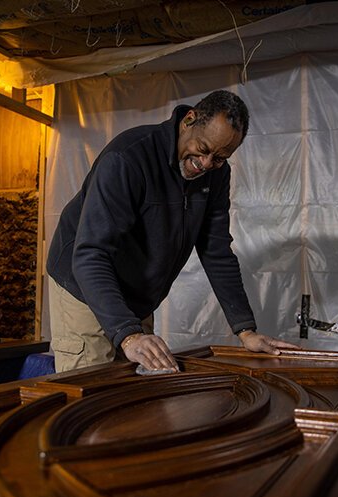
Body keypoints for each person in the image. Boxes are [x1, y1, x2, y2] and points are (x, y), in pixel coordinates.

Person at [46, 89, 298, 373]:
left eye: (219, 157)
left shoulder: (216, 174)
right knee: (90, 387)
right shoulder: (127, 158)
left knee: (133, 386)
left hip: (135, 289)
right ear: (189, 120)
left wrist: (245, 330)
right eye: (202, 149)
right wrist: (128, 335)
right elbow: (91, 252)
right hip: (83, 281)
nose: (205, 164)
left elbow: (216, 251)